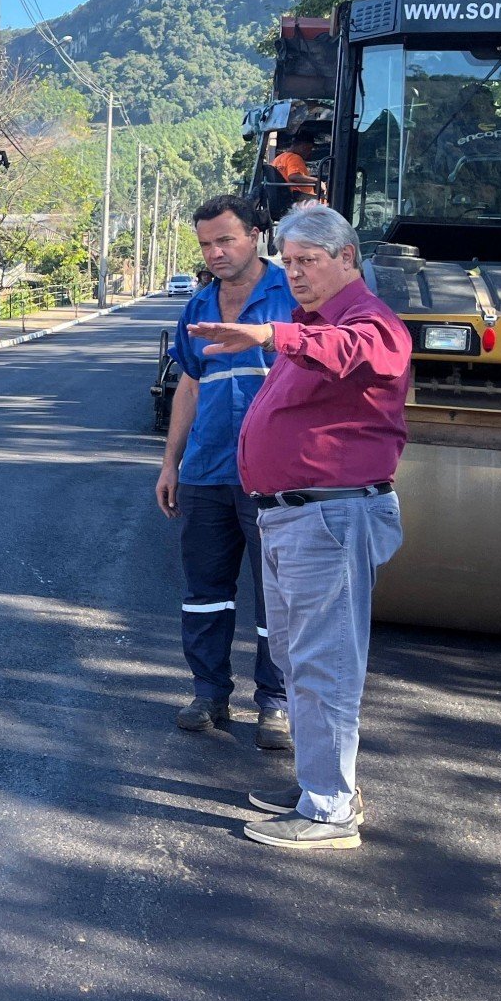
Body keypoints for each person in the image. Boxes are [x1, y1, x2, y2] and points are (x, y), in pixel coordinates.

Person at [188, 204, 410, 851]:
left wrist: (269, 337)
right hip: (293, 517)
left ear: (347, 257)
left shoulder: (368, 321)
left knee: (324, 667)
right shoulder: (312, 322)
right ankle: (321, 783)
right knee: (296, 658)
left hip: (330, 517)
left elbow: (362, 354)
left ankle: (330, 810)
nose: (295, 274)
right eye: (288, 262)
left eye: (307, 261)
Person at [155, 194, 294, 748]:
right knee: (205, 591)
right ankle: (209, 693)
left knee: (278, 595)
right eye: (207, 243)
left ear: (256, 235)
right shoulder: (199, 305)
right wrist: (171, 462)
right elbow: (188, 384)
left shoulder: (292, 295)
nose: (215, 252)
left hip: (275, 474)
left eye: (225, 240)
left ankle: (276, 703)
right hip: (207, 470)